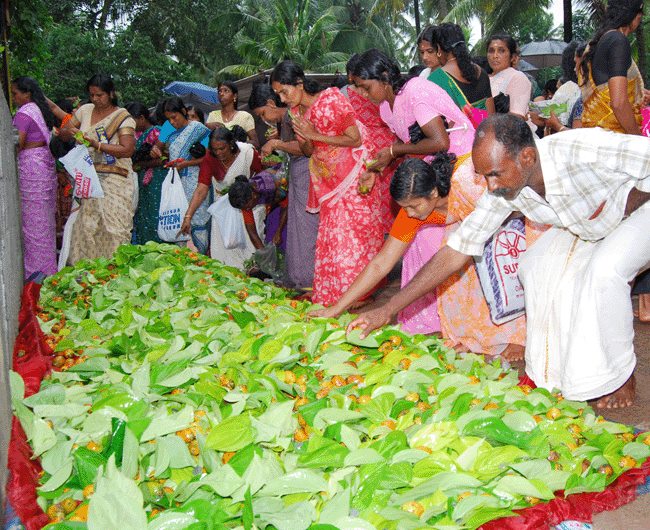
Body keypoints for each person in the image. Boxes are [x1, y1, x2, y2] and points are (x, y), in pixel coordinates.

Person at [350, 114, 650, 410]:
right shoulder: (505, 189)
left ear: (528, 157)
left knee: (604, 272)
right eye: (484, 177)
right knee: (534, 267)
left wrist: (630, 198)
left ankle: (622, 375)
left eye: (495, 174)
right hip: (588, 225)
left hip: (640, 210)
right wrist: (388, 310)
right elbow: (457, 250)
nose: (490, 187)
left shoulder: (582, 148)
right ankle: (560, 377)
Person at [270, 60, 388, 306]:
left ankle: (358, 294)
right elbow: (308, 149)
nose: (282, 99)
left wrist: (313, 133)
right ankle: (339, 293)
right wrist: (305, 135)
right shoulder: (295, 113)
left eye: (284, 91)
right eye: (278, 94)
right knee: (334, 238)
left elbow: (354, 139)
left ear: (300, 84)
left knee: (354, 237)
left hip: (354, 177)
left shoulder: (331, 100)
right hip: (329, 182)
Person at [60, 74, 136, 264]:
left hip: (115, 180)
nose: (95, 99)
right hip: (89, 178)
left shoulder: (123, 117)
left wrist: (96, 144)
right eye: (92, 95)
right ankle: (88, 275)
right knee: (87, 227)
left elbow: (127, 149)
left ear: (111, 94)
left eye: (100, 95)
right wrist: (71, 133)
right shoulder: (85, 110)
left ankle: (115, 274)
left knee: (114, 228)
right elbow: (64, 133)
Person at [249, 83, 319, 288]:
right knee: (298, 230)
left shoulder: (292, 115)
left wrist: (277, 144)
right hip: (299, 175)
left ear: (271, 103)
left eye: (263, 114)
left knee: (307, 229)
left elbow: (305, 148)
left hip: (307, 172)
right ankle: (299, 277)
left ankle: (308, 279)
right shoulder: (286, 119)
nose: (263, 119)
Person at [180, 127, 262, 269]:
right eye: (215, 150)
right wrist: (188, 216)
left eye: (222, 149)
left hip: (248, 205)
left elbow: (262, 177)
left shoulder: (247, 153)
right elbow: (201, 189)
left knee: (251, 246)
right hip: (223, 209)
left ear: (231, 144)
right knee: (224, 250)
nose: (218, 153)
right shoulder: (210, 158)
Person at [343, 54, 397, 235]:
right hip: (369, 157)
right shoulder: (346, 95)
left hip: (390, 153)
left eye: (364, 86)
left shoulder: (397, 97)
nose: (363, 93)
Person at [11, 77, 58, 278]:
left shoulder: (23, 113)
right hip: (43, 166)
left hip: (31, 168)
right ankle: (48, 270)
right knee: (45, 224)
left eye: (15, 93)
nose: (13, 98)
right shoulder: (39, 111)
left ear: (26, 93)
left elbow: (17, 143)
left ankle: (36, 276)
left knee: (33, 226)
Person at [151, 97, 211, 254]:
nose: (171, 122)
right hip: (178, 184)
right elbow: (163, 150)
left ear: (183, 112)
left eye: (174, 117)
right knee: (179, 220)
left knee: (196, 222)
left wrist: (186, 164)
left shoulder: (197, 128)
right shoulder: (169, 131)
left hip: (195, 180)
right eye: (168, 119)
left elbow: (209, 157)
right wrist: (158, 152)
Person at [579, 0, 645, 134]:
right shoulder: (618, 40)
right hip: (614, 136)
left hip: (596, 133)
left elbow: (607, 88)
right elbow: (619, 103)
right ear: (634, 15)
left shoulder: (597, 43)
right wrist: (638, 138)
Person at [427, 23, 495, 118]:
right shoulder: (481, 72)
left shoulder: (436, 79)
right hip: (484, 131)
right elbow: (491, 115)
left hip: (458, 132)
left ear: (438, 48)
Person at [125, 102, 166, 244]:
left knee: (155, 215)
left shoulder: (158, 131)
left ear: (141, 118)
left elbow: (163, 159)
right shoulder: (137, 135)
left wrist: (139, 166)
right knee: (144, 215)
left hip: (157, 179)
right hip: (144, 182)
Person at [228, 173, 288, 250]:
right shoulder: (246, 200)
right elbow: (252, 232)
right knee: (272, 238)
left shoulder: (270, 187)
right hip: (274, 207)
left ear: (254, 195)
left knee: (285, 237)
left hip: (291, 200)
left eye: (247, 207)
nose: (247, 210)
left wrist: (279, 231)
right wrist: (263, 254)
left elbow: (286, 205)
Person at [486, 34, 532, 120]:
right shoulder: (484, 78)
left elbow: (517, 117)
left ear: (512, 57)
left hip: (510, 131)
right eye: (491, 51)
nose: (495, 56)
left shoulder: (517, 77)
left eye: (501, 51)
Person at [207, 81, 259, 147]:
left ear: (234, 96)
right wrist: (207, 126)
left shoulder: (245, 116)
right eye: (219, 91)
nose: (221, 94)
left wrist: (236, 144)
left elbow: (255, 143)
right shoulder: (213, 115)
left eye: (226, 91)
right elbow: (207, 142)